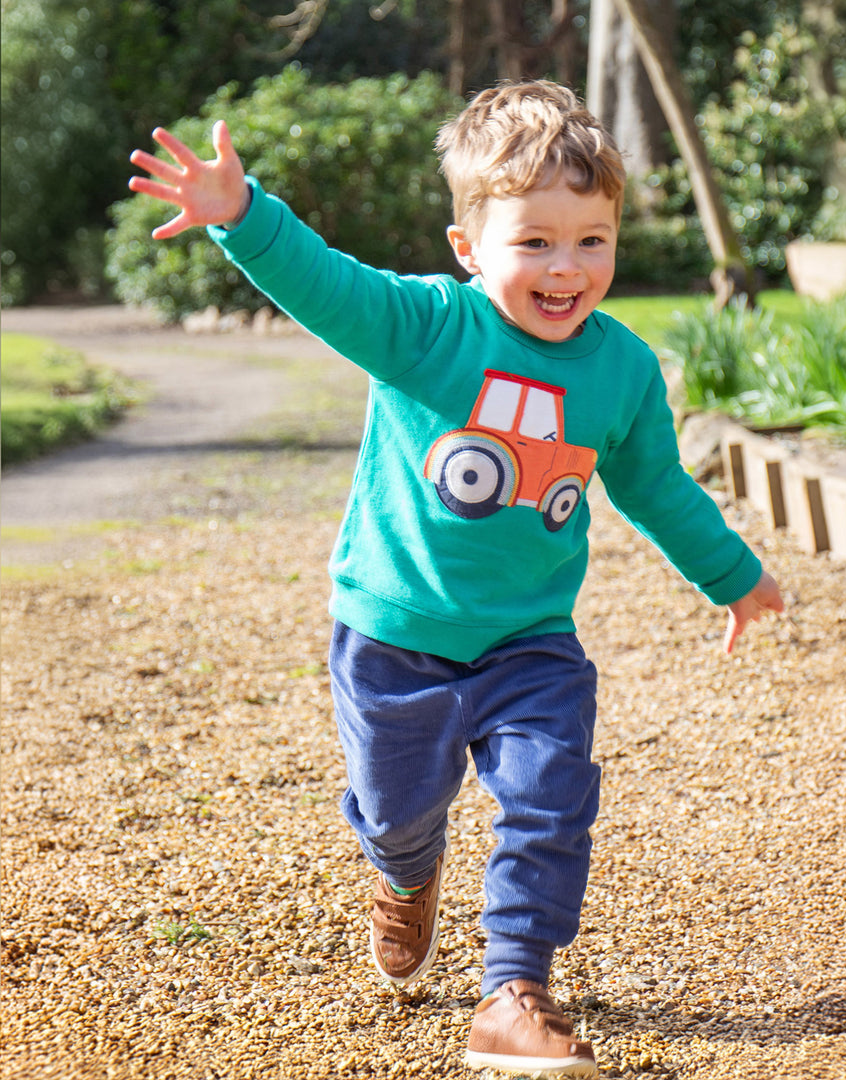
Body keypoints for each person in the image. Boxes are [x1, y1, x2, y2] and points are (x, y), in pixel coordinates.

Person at [129, 80, 783, 1079]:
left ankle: (513, 990)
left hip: (531, 641)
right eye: (536, 242)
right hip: (394, 637)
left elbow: (655, 484)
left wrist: (732, 573)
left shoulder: (620, 369)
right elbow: (327, 282)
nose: (566, 269)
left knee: (550, 795)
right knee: (398, 810)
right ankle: (403, 873)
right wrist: (245, 217)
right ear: (470, 246)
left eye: (591, 241)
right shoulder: (428, 330)